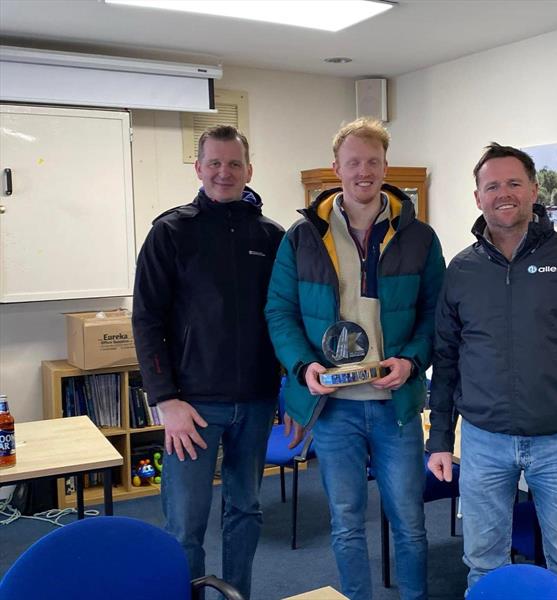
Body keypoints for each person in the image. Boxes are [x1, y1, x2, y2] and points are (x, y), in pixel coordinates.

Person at [427, 143, 557, 599]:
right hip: (483, 442)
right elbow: (445, 362)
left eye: (514, 183)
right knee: (484, 569)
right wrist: (440, 438)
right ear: (478, 197)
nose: (504, 193)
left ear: (534, 190)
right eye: (492, 185)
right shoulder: (461, 270)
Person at [266, 117, 445, 600]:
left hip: (398, 405)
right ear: (335, 168)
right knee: (345, 523)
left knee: (409, 521)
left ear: (386, 165)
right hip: (334, 407)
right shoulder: (301, 238)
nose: (363, 171)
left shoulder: (421, 238)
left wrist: (411, 360)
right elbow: (279, 313)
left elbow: (436, 315)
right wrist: (304, 368)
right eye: (353, 163)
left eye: (372, 161)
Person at [132, 125, 284, 599]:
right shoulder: (171, 232)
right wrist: (165, 399)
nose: (224, 172)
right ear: (198, 168)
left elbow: (286, 318)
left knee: (246, 511)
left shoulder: (272, 236)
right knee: (186, 523)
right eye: (214, 163)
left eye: (234, 163)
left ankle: (238, 593)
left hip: (256, 403)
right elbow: (146, 319)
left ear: (249, 170)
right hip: (192, 407)